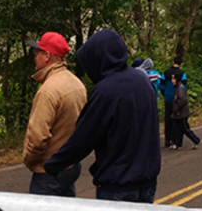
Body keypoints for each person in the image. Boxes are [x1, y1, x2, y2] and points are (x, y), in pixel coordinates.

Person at [44, 29, 161, 202]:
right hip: (147, 182)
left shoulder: (105, 90)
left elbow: (84, 137)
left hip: (118, 186)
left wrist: (53, 165)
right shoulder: (142, 80)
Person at [23, 32, 87, 196]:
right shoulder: (76, 83)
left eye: (38, 53)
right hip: (70, 165)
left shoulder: (48, 91)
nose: (35, 57)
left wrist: (30, 162)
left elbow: (38, 139)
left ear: (47, 56)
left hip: (49, 170)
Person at [169, 73, 201, 149]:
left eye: (174, 79)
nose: (172, 81)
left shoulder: (180, 88)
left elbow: (182, 100)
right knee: (178, 128)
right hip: (178, 113)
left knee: (184, 128)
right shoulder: (177, 87)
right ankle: (178, 144)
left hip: (181, 113)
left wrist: (176, 109)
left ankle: (196, 140)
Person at [161, 56, 186, 148]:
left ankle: (167, 139)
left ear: (172, 62)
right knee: (177, 118)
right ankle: (176, 139)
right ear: (181, 64)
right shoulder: (182, 74)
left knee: (168, 119)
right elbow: (184, 87)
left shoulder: (165, 73)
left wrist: (165, 94)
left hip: (168, 98)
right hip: (178, 100)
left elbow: (162, 85)